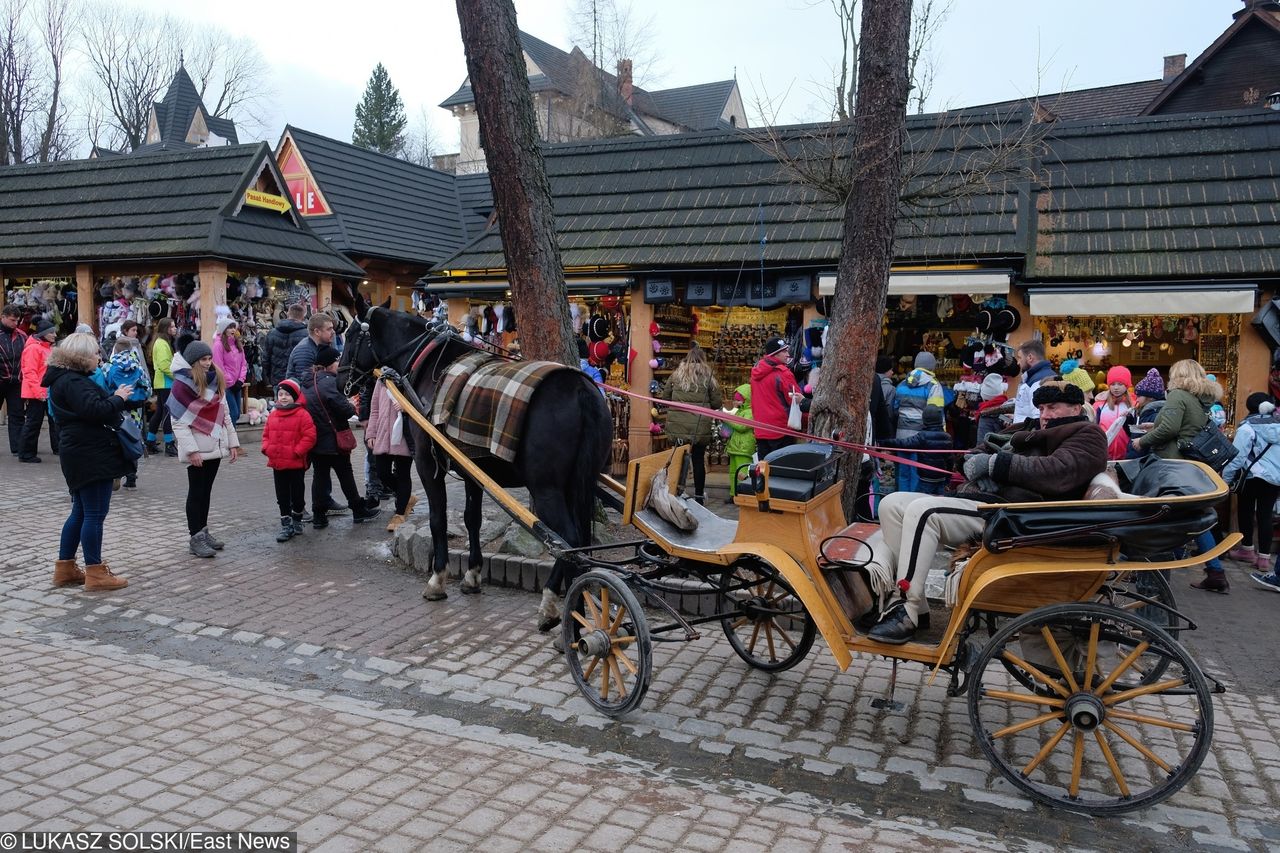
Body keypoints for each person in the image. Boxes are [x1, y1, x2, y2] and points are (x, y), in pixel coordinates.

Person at [866, 383, 1107, 644]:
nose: (1045, 414)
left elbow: (1057, 471)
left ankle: (906, 607)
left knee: (923, 512)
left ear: (1074, 407)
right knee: (891, 504)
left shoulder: (1088, 434)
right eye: (1041, 408)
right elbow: (980, 450)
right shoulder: (1030, 428)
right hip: (989, 504)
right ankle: (920, 607)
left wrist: (996, 467)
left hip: (1013, 518)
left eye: (1052, 408)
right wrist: (974, 465)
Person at [43, 333, 131, 591]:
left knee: (81, 511)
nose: (99, 357)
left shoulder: (65, 379)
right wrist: (119, 398)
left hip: (79, 449)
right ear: (81, 356)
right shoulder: (73, 381)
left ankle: (66, 568)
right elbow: (95, 410)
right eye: (95, 353)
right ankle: (95, 573)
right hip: (90, 452)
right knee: (94, 513)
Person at [1131, 359, 1227, 592]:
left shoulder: (1177, 395)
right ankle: (1215, 571)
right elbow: (1184, 427)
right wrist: (1153, 428)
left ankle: (1152, 571)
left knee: (1158, 513)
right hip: (1189, 463)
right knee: (1191, 516)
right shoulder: (1200, 399)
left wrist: (1142, 441)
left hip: (1171, 464)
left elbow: (1170, 429)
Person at [169, 340, 241, 558]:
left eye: (209, 358)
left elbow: (225, 413)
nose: (208, 363)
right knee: (196, 492)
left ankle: (203, 531)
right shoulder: (182, 385)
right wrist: (192, 451)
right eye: (203, 359)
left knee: (206, 491)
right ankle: (195, 537)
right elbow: (179, 421)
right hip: (198, 446)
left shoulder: (215, 379)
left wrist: (233, 442)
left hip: (215, 442)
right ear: (193, 361)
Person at [305, 345, 380, 528]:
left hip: (316, 440)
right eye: (337, 361)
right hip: (333, 438)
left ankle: (319, 516)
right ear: (329, 365)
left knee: (320, 476)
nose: (339, 364)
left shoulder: (307, 382)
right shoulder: (330, 383)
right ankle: (357, 509)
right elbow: (346, 410)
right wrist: (348, 405)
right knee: (345, 474)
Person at [1222, 394, 1280, 572]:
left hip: (1251, 476)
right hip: (1274, 478)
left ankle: (1247, 549)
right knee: (1265, 515)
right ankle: (1264, 558)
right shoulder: (1278, 426)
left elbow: (1238, 457)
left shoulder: (1247, 428)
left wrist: (1226, 478)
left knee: (1245, 511)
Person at [659, 343, 722, 504]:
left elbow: (665, 398)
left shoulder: (676, 375)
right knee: (698, 460)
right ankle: (699, 496)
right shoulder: (708, 377)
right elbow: (716, 403)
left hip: (677, 426)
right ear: (703, 360)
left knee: (678, 458)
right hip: (699, 426)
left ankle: (675, 492)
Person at [261, 378, 317, 543]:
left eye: (287, 394)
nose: (283, 397)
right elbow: (265, 434)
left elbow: (310, 436)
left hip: (295, 463)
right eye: (280, 394)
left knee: (297, 494)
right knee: (282, 494)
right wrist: (267, 448)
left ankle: (297, 518)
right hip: (277, 462)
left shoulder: (302, 414)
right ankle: (286, 524)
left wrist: (297, 451)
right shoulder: (273, 415)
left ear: (295, 396)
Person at [96, 338, 150, 489]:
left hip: (115, 408)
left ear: (115, 349)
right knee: (131, 438)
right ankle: (131, 476)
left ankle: (116, 474)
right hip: (135, 410)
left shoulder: (108, 367)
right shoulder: (138, 367)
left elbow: (103, 388)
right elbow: (148, 389)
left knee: (117, 439)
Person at [366, 379, 418, 532]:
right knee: (382, 473)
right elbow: (374, 408)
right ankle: (407, 497)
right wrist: (371, 433)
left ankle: (400, 514)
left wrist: (406, 406)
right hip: (383, 433)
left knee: (403, 473)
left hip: (404, 433)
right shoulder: (381, 379)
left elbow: (421, 402)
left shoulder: (410, 375)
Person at [892, 352, 945, 493]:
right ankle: (912, 506)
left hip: (901, 435)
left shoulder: (902, 384)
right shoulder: (933, 385)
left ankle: (901, 504)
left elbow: (895, 408)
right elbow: (935, 415)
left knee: (903, 473)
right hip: (921, 437)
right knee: (917, 472)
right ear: (932, 366)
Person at [878, 405, 953, 496]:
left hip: (925, 480)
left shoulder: (923, 436)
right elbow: (950, 460)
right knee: (939, 503)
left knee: (920, 502)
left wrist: (883, 442)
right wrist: (948, 478)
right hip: (941, 479)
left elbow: (904, 443)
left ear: (925, 420)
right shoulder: (947, 437)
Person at [749, 336, 802, 460]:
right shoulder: (783, 374)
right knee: (781, 472)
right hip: (781, 431)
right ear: (775, 354)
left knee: (764, 471)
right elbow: (797, 401)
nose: (787, 354)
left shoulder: (755, 372)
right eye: (784, 351)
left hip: (761, 430)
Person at [18, 318, 59, 463]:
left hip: (45, 391)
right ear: (43, 334)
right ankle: (26, 453)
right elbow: (30, 373)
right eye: (52, 332)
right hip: (37, 392)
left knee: (54, 421)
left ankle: (57, 447)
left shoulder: (45, 347)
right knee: (33, 422)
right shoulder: (33, 349)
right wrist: (39, 392)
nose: (55, 335)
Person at [146, 318, 178, 456]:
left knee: (159, 412)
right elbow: (165, 366)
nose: (175, 328)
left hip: (163, 383)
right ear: (166, 329)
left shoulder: (161, 342)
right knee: (167, 414)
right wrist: (178, 377)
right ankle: (169, 444)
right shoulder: (162, 343)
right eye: (172, 326)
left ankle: (150, 441)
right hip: (166, 383)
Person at [1, 304, 28, 455]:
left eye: (17, 320)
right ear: (3, 317)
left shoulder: (22, 335)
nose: (15, 323)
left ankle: (18, 448)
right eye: (12, 320)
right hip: (1, 379)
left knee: (17, 415)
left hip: (16, 381)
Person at [262, 303, 309, 388]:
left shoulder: (272, 333)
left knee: (280, 400)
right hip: (299, 379)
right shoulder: (307, 335)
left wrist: (269, 377)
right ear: (303, 317)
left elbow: (265, 358)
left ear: (287, 314)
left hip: (277, 378)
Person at [1010, 339, 1056, 427]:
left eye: (1020, 358)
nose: (1018, 362)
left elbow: (1038, 418)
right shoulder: (1035, 378)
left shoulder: (1039, 382)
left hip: (1027, 436)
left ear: (1030, 357)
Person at [213, 318, 248, 426]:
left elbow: (244, 364)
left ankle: (226, 437)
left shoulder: (238, 344)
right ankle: (230, 440)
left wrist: (240, 380)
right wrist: (230, 382)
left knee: (236, 414)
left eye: (234, 327)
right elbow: (219, 366)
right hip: (226, 386)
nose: (233, 330)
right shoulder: (218, 345)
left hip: (237, 384)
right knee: (233, 413)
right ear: (223, 330)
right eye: (229, 327)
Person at [1094, 365, 1134, 460]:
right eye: (1112, 384)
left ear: (1127, 385)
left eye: (1120, 384)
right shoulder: (1099, 405)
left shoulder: (1133, 405)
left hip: (1126, 456)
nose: (1116, 388)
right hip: (1103, 454)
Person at [724, 384, 755, 500]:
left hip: (744, 448)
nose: (736, 402)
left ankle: (743, 495)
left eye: (739, 400)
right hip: (735, 447)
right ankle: (734, 494)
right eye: (735, 400)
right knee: (733, 473)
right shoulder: (738, 411)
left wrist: (727, 419)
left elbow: (742, 426)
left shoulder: (750, 412)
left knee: (742, 472)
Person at [286, 312, 335, 382]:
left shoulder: (323, 345)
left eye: (332, 328)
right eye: (329, 329)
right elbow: (305, 383)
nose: (333, 332)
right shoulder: (304, 351)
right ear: (317, 332)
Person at [974, 373, 1008, 447]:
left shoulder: (985, 415)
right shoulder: (1008, 410)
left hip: (990, 456)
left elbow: (981, 445)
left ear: (984, 397)